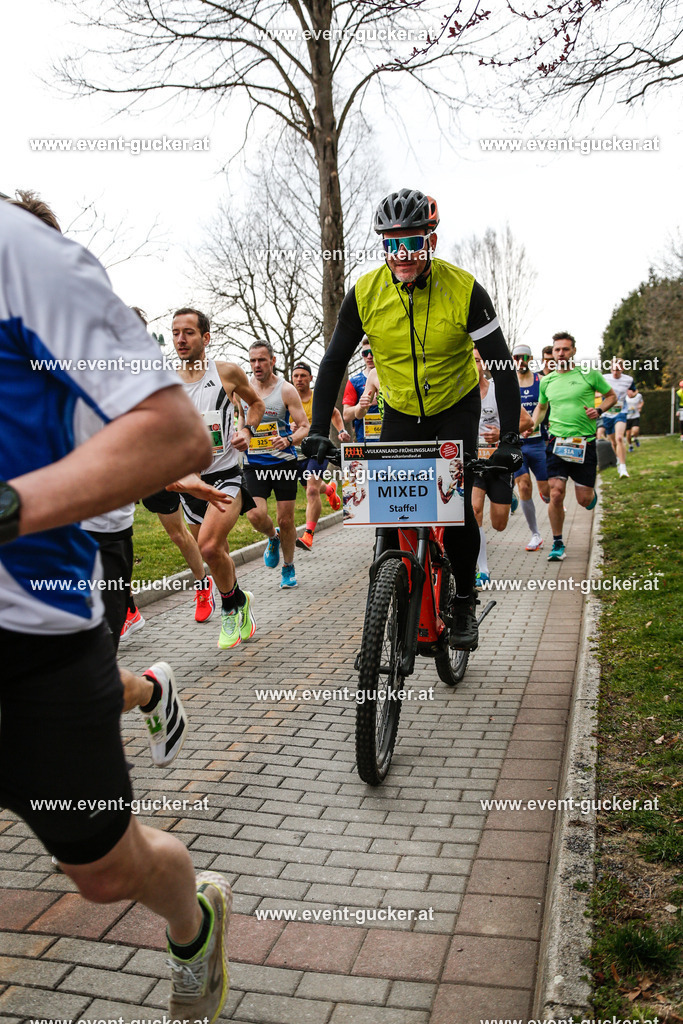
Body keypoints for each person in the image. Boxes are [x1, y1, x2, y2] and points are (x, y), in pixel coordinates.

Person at [0, 200, 232, 1022]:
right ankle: (151, 682)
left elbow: (170, 435)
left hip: (37, 622)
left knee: (101, 876)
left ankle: (191, 920)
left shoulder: (26, 257)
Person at [304, 188, 523, 650]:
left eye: (412, 242)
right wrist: (320, 431)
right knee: (387, 511)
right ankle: (388, 593)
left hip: (454, 406)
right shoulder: (365, 293)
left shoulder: (465, 290)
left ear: (432, 241)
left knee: (458, 507)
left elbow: (501, 366)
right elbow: (332, 363)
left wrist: (508, 439)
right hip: (401, 411)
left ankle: (463, 601)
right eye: (391, 243)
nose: (401, 254)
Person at [171, 309, 264, 649]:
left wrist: (246, 429)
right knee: (217, 551)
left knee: (209, 545)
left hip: (226, 476)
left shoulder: (225, 372)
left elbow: (256, 405)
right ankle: (241, 601)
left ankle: (228, 608)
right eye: (176, 332)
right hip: (190, 481)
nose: (181, 339)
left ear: (205, 338)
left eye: (189, 332)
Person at [532, 332, 617, 561]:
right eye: (557, 349)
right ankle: (557, 542)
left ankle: (590, 496)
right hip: (557, 442)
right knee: (556, 493)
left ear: (574, 351)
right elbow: (541, 408)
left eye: (566, 349)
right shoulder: (547, 381)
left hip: (585, 443)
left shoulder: (589, 374)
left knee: (583, 500)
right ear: (553, 352)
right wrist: (531, 424)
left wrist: (599, 411)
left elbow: (611, 396)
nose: (561, 353)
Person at [239, 342, 309, 588]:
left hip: (284, 464)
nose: (257, 365)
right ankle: (272, 537)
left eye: (262, 360)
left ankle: (288, 567)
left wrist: (288, 439)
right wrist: (241, 436)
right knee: (255, 515)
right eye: (253, 361)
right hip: (254, 463)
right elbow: (241, 417)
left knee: (286, 520)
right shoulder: (244, 388)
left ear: (273, 361)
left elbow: (304, 425)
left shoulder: (286, 390)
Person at [472, 349, 533, 585]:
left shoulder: (498, 390)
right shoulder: (456, 394)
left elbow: (528, 421)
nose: (473, 364)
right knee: (475, 511)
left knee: (499, 523)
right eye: (468, 360)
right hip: (474, 462)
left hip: (499, 462)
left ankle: (511, 496)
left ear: (484, 364)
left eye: (476, 360)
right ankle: (482, 570)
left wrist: (502, 433)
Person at [291, 361, 348, 551]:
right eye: (296, 376)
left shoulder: (318, 398)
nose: (299, 379)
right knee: (312, 487)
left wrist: (341, 431)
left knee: (312, 491)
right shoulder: (288, 399)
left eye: (303, 375)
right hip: (297, 453)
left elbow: (335, 413)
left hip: (318, 450)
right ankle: (331, 490)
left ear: (310, 378)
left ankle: (308, 535)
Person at [512, 343, 551, 552]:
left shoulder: (541, 381)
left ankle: (552, 500)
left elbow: (542, 408)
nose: (521, 361)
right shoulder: (509, 383)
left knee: (547, 491)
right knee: (524, 485)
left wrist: (532, 425)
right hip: (518, 445)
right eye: (517, 357)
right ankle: (535, 534)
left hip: (537, 443)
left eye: (524, 357)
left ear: (531, 359)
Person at [602, 357, 636, 477]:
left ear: (622, 369)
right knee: (613, 441)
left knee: (620, 438)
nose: (615, 372)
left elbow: (633, 391)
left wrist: (632, 394)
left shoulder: (628, 379)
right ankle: (618, 458)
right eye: (613, 369)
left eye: (618, 369)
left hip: (621, 410)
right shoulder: (604, 378)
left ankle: (623, 468)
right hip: (607, 412)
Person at [343, 340, 381, 441]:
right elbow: (346, 415)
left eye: (372, 352)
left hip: (390, 438)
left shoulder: (390, 378)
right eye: (365, 353)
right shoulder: (354, 381)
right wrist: (361, 405)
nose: (369, 356)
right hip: (365, 439)